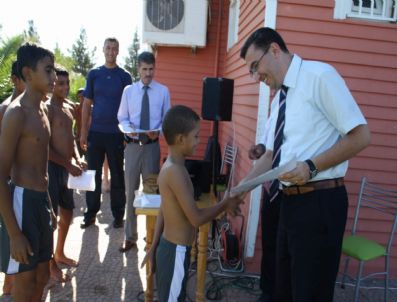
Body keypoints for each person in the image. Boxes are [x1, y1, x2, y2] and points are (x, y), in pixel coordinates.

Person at [239, 27, 371, 302]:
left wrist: (310, 166)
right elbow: (270, 155)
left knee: (310, 294)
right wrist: (239, 190)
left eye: (255, 66)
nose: (255, 77)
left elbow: (360, 136)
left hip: (320, 203)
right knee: (283, 291)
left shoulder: (320, 77)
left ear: (274, 49)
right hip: (289, 204)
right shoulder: (281, 98)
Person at [141, 105, 243, 302]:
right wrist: (224, 204)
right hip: (176, 250)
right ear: (181, 139)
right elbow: (196, 219)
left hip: (174, 249)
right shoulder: (175, 172)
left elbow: (163, 208)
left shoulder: (174, 166)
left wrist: (153, 247)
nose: (199, 141)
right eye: (195, 136)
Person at [0, 43, 57, 302]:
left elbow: (41, 167)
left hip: (40, 203)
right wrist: (14, 233)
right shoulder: (16, 114)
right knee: (23, 284)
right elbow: (1, 175)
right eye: (48, 70)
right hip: (21, 203)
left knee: (42, 277)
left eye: (54, 70)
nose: (54, 77)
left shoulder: (43, 110)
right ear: (28, 73)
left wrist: (49, 207)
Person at [117, 51, 171, 252]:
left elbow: (167, 118)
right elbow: (122, 118)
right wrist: (129, 130)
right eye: (144, 69)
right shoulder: (128, 91)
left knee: (151, 192)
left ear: (155, 68)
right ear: (138, 69)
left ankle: (151, 237)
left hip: (151, 148)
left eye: (151, 69)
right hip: (132, 147)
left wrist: (159, 133)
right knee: (130, 192)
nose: (148, 73)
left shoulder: (163, 91)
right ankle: (130, 237)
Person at [79, 37, 132, 229]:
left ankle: (118, 215)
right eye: (108, 48)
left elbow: (130, 106)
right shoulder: (94, 74)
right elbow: (86, 104)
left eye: (114, 48)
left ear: (118, 51)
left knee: (117, 175)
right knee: (93, 174)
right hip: (96, 133)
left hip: (116, 134)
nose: (111, 51)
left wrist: (127, 133)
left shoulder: (124, 76)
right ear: (103, 50)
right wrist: (83, 132)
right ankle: (90, 213)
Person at [46, 66, 85, 281]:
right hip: (52, 168)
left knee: (68, 212)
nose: (65, 87)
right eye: (60, 83)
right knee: (52, 218)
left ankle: (60, 252)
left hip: (67, 168)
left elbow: (72, 139)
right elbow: (45, 147)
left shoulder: (70, 107)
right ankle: (50, 264)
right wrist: (67, 164)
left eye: (66, 83)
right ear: (52, 86)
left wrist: (78, 158)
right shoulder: (47, 109)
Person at [0, 60, 26, 296]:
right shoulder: (7, 109)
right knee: (11, 239)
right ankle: (9, 288)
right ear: (15, 80)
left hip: (23, 185)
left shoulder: (29, 109)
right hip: (9, 185)